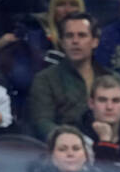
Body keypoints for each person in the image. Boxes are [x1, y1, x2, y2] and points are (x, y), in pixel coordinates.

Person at [27, 12, 112, 140]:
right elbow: (42, 123)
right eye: (69, 36)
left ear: (95, 42)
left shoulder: (112, 78)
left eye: (82, 35)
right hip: (65, 150)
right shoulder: (45, 79)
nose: (75, 41)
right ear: (62, 42)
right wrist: (73, 140)